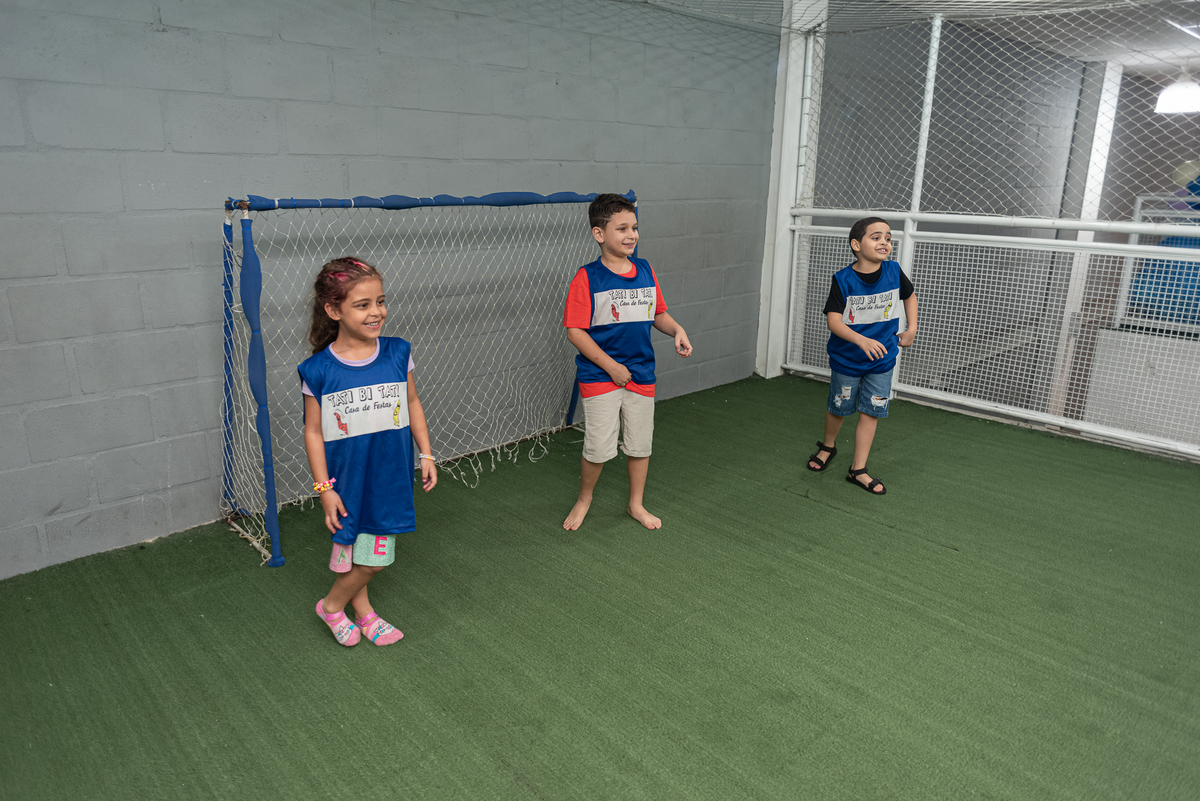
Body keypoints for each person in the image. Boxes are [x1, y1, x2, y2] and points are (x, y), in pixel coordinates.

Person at [299, 257, 437, 646]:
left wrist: (426, 453)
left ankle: (334, 606)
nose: (376, 312)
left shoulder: (397, 352)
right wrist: (324, 489)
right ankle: (353, 611)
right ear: (334, 310)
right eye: (362, 305)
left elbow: (412, 402)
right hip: (345, 483)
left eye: (380, 301)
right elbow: (312, 431)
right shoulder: (318, 370)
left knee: (374, 558)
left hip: (389, 478)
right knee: (353, 554)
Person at [561, 193, 692, 531]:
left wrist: (676, 329)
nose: (631, 235)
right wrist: (611, 367)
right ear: (599, 233)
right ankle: (584, 499)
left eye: (634, 227)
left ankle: (636, 504)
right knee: (598, 447)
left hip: (641, 374)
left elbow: (657, 313)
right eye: (621, 229)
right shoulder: (587, 277)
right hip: (600, 376)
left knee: (639, 444)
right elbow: (575, 331)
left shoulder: (645, 269)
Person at [806, 217, 918, 495]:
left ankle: (858, 469)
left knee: (871, 411)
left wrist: (912, 328)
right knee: (839, 407)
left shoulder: (894, 271)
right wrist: (860, 340)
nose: (884, 242)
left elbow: (910, 296)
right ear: (856, 245)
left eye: (888, 238)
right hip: (847, 360)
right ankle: (828, 446)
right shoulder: (842, 280)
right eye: (876, 237)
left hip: (882, 361)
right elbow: (833, 321)